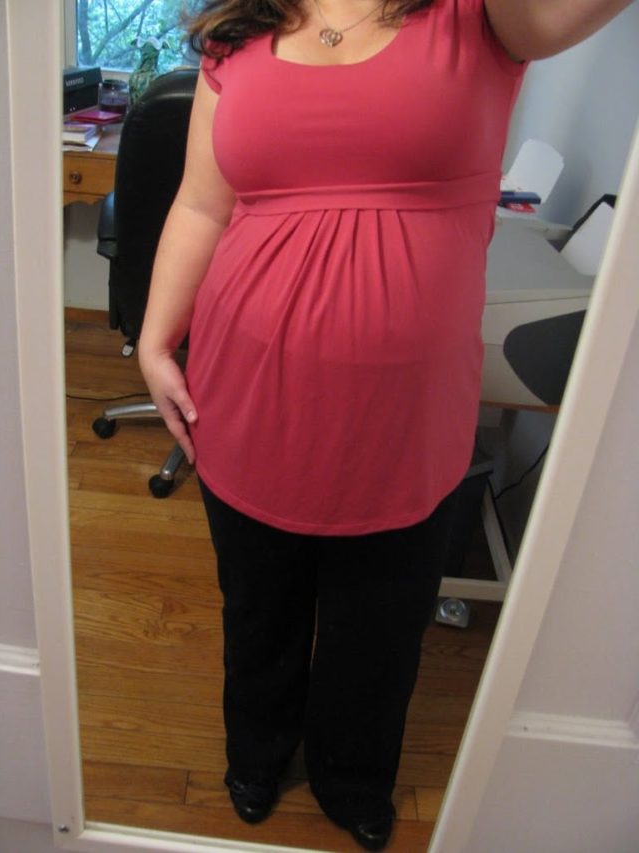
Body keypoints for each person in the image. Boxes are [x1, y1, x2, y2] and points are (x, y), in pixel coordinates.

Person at [138, 0, 634, 848]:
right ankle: (258, 752)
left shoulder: (479, 19)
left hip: (408, 417)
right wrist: (154, 340)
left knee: (381, 623)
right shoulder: (238, 35)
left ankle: (352, 775)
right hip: (246, 393)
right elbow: (201, 205)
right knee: (259, 606)